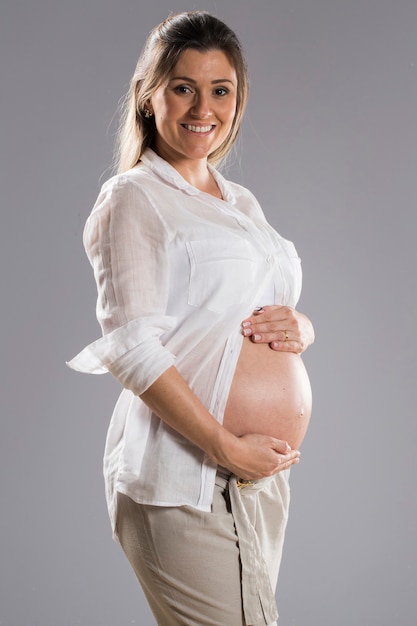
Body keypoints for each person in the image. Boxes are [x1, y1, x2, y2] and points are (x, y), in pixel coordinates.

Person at [68, 10, 314, 626]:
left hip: (255, 480)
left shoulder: (239, 202)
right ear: (150, 99)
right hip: (188, 476)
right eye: (183, 87)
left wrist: (302, 330)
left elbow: (254, 308)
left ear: (238, 100)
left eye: (221, 90)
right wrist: (226, 446)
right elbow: (132, 347)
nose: (203, 107)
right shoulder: (133, 199)